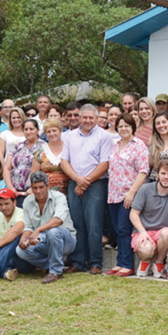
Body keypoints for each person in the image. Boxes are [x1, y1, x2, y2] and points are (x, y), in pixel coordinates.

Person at [60, 104, 111, 275]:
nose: (88, 121)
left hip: (96, 184)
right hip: (75, 182)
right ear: (80, 118)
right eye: (85, 117)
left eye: (91, 118)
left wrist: (85, 181)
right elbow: (64, 162)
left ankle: (95, 262)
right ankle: (78, 261)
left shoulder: (104, 136)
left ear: (96, 118)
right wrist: (77, 180)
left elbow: (104, 164)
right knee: (77, 223)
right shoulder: (69, 136)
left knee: (94, 224)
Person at [105, 114, 149, 276]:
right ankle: (119, 262)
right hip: (113, 194)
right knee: (117, 230)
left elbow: (143, 171)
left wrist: (132, 193)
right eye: (121, 126)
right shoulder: (115, 145)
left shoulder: (139, 145)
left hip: (129, 194)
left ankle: (127, 264)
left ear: (133, 128)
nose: (123, 129)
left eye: (127, 126)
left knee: (124, 229)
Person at [16, 171, 77, 284]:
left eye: (41, 187)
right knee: (21, 250)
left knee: (53, 232)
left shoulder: (59, 197)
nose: (38, 191)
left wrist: (38, 230)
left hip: (65, 240)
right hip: (42, 239)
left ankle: (56, 272)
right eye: (35, 188)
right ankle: (52, 264)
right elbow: (28, 227)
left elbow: (58, 220)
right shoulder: (27, 201)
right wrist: (24, 239)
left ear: (48, 186)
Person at [129, 159, 168, 279]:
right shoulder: (145, 189)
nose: (166, 177)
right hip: (144, 231)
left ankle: (159, 263)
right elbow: (133, 214)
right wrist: (142, 232)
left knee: (167, 233)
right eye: (163, 173)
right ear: (157, 174)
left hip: (161, 233)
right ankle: (145, 261)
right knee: (145, 250)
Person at [32, 118, 69, 194]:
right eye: (49, 131)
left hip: (68, 191)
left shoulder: (69, 148)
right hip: (46, 193)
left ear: (60, 131)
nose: (52, 134)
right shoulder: (40, 151)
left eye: (54, 130)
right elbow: (34, 175)